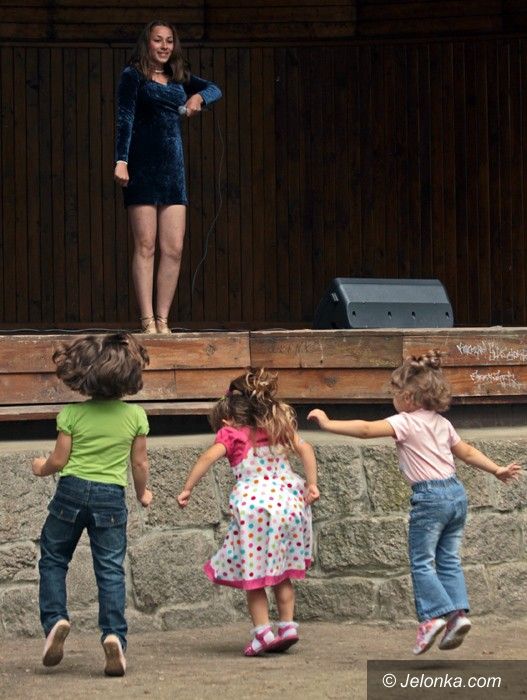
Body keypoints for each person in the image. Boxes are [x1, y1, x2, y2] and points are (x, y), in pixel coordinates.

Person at [307, 350, 521, 656]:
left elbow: (366, 430)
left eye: (394, 393)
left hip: (430, 497)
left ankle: (432, 617)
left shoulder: (405, 422)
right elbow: (468, 452)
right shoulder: (443, 424)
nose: (393, 399)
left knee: (422, 561)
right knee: (448, 559)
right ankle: (457, 616)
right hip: (456, 494)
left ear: (407, 397)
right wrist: (496, 469)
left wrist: (328, 424)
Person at [32, 333, 152, 677]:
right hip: (110, 497)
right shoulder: (135, 416)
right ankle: (114, 636)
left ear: (83, 374)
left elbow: (59, 460)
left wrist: (41, 468)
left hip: (70, 493)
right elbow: (139, 464)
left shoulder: (72, 414)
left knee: (54, 558)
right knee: (110, 569)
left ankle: (55, 620)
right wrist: (142, 493)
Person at [177, 368, 320, 656]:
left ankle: (262, 634)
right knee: (282, 573)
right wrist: (312, 484)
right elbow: (306, 450)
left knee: (254, 577)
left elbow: (208, 457)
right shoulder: (278, 428)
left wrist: (188, 487)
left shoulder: (231, 434)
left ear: (228, 418)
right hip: (289, 505)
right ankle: (288, 627)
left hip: (256, 511)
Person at [114, 20, 222, 334]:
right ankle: (147, 320)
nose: (164, 46)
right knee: (145, 245)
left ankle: (163, 320)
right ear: (147, 43)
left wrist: (198, 99)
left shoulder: (179, 76)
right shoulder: (133, 75)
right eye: (158, 40)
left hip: (173, 170)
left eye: (169, 41)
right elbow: (125, 118)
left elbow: (214, 89)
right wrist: (121, 161)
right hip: (142, 167)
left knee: (173, 248)